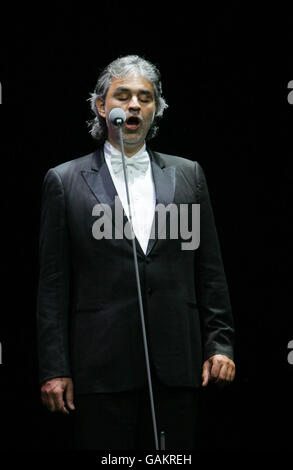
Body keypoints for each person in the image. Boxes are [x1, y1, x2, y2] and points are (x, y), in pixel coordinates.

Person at [36, 54, 235, 450]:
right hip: (101, 367)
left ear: (155, 109)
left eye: (144, 97)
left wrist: (220, 344)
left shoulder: (188, 174)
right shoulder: (65, 180)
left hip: (178, 363)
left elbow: (208, 268)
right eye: (122, 95)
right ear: (100, 105)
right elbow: (53, 285)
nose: (133, 105)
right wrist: (54, 368)